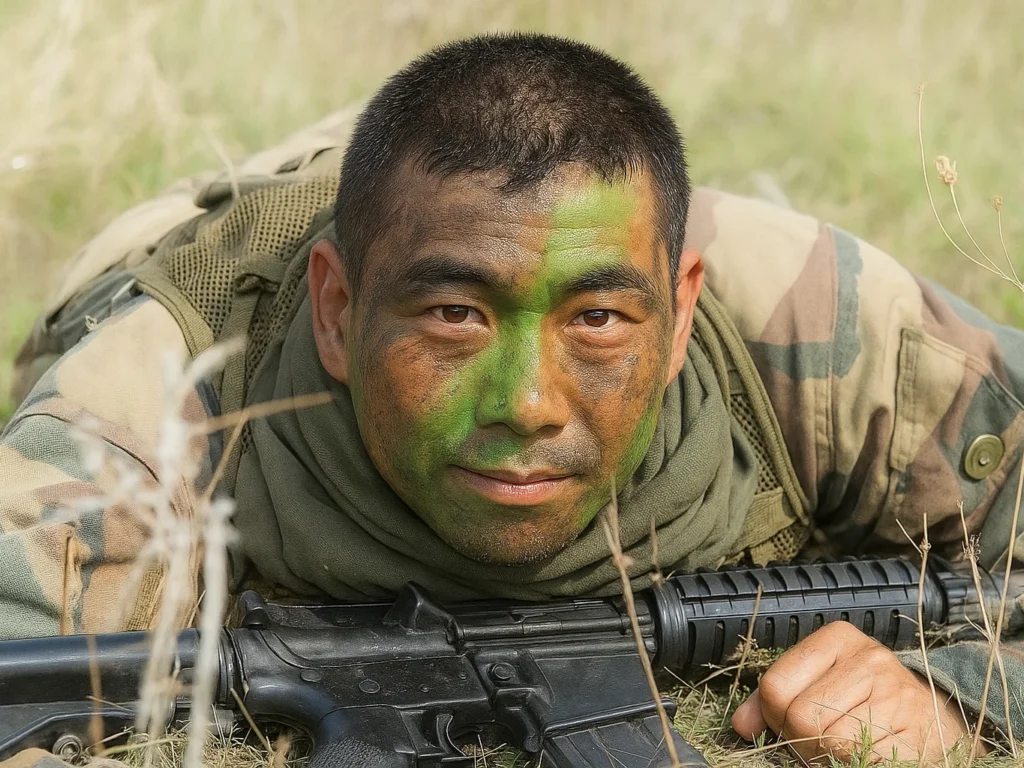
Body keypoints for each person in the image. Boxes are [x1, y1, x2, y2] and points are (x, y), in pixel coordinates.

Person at [3, 32, 1023, 764]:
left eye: (597, 321)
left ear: (678, 313)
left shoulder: (823, 325)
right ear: (337, 314)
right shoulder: (153, 406)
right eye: (455, 316)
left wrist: (960, 698)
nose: (528, 403)